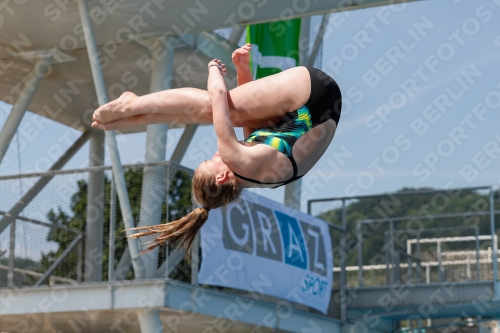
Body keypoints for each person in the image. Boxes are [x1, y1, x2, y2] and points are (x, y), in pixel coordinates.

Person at [92, 44, 342, 252]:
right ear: (222, 176)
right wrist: (213, 69)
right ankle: (131, 106)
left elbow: (253, 122)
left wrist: (243, 71)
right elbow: (218, 94)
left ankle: (126, 118)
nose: (214, 154)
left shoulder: (256, 174)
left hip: (322, 106)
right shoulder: (236, 158)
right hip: (312, 94)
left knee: (228, 114)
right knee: (211, 108)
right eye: (210, 161)